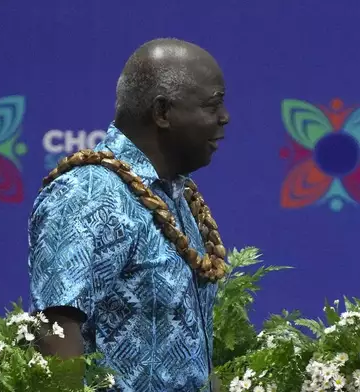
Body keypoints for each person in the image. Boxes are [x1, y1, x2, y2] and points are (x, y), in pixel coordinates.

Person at [27, 37, 230, 391]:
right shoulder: (89, 194)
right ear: (163, 113)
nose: (224, 118)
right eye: (213, 105)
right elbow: (54, 331)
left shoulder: (171, 193)